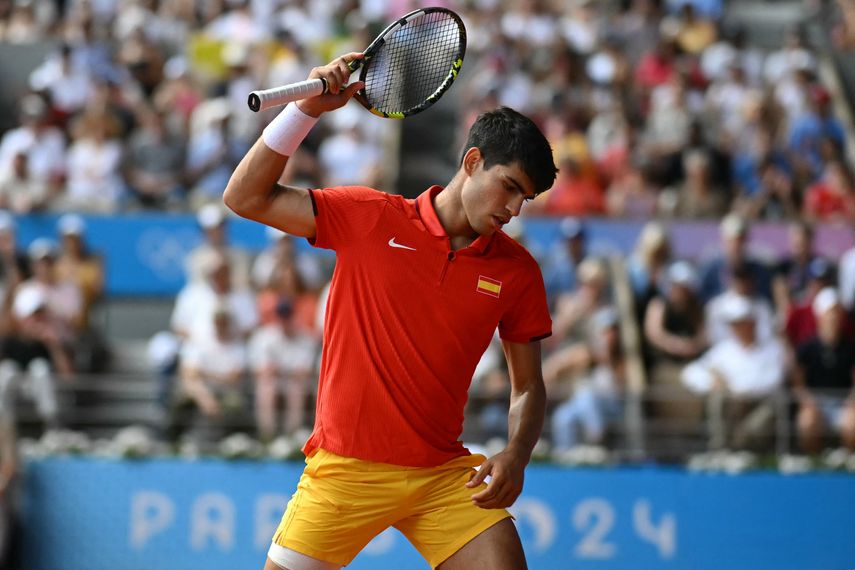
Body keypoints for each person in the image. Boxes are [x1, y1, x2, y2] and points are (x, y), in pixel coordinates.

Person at [224, 53, 557, 570]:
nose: (514, 209)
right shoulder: (368, 216)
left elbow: (528, 386)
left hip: (442, 476)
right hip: (344, 471)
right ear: (472, 162)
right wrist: (304, 111)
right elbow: (244, 197)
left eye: (526, 199)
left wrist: (517, 453)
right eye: (510, 187)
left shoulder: (519, 271)